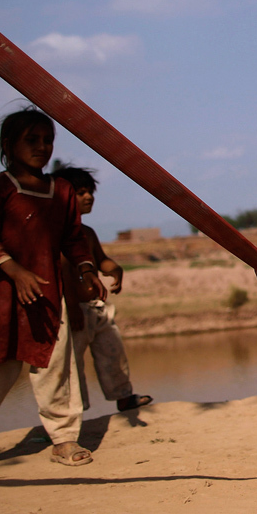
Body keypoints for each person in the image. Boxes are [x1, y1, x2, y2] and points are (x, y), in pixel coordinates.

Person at [0, 107, 105, 476]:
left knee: (56, 368)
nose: (42, 147)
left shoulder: (61, 191)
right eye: (32, 140)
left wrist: (87, 269)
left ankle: (63, 439)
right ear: (10, 145)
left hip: (47, 296)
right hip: (2, 297)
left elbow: (74, 239)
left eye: (47, 141)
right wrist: (17, 272)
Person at [52, 164, 152, 413]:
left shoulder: (86, 233)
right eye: (81, 192)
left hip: (96, 308)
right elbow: (62, 270)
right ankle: (74, 409)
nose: (88, 197)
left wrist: (115, 269)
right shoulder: (56, 234)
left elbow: (100, 259)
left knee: (112, 351)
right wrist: (73, 306)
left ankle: (124, 396)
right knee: (72, 364)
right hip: (71, 311)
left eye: (90, 192)